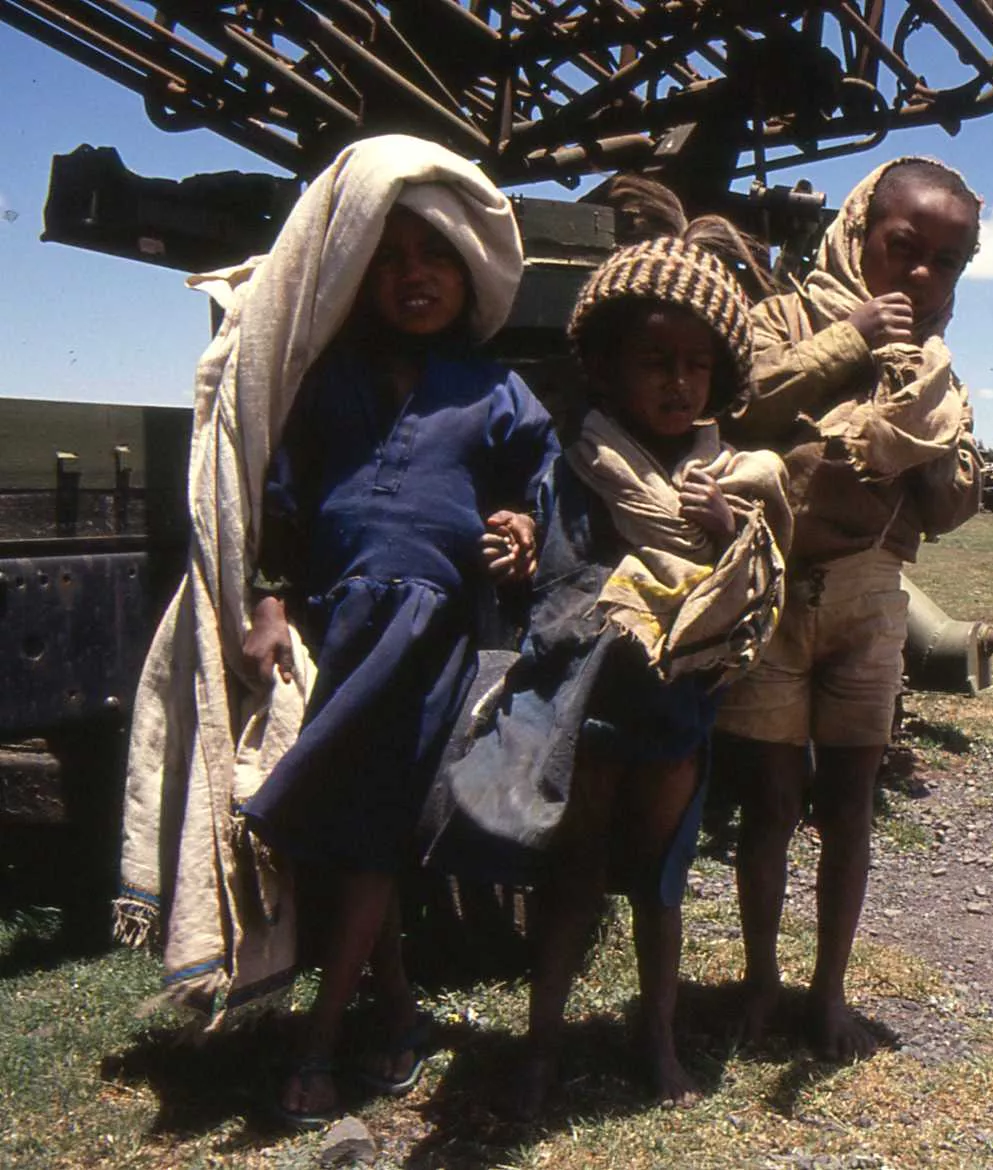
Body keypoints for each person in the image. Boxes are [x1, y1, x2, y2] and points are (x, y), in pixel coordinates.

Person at [235, 141, 556, 1127]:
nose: (413, 275)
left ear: (468, 275)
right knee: (338, 832)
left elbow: (537, 484)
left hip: (424, 635)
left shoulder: (492, 388)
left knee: (367, 835)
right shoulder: (326, 381)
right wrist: (271, 607)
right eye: (391, 256)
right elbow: (278, 507)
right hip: (336, 629)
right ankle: (402, 1015)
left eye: (436, 256)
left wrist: (522, 528)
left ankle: (322, 1042)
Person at [515, 179, 791, 1112]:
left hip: (676, 708)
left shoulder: (729, 477)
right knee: (576, 871)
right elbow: (554, 578)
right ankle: (542, 1047)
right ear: (603, 368)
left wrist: (726, 532)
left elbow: (754, 589)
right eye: (653, 362)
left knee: (661, 882)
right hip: (592, 708)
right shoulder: (576, 466)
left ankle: (659, 1042)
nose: (677, 384)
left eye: (696, 366)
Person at [716, 157, 983, 1060]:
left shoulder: (939, 371)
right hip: (776, 593)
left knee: (850, 810)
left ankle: (827, 992)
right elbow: (741, 406)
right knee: (769, 803)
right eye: (902, 248)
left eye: (946, 263)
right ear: (857, 231)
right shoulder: (783, 318)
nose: (921, 275)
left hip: (872, 599)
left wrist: (926, 439)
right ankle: (760, 984)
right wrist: (852, 338)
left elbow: (948, 511)